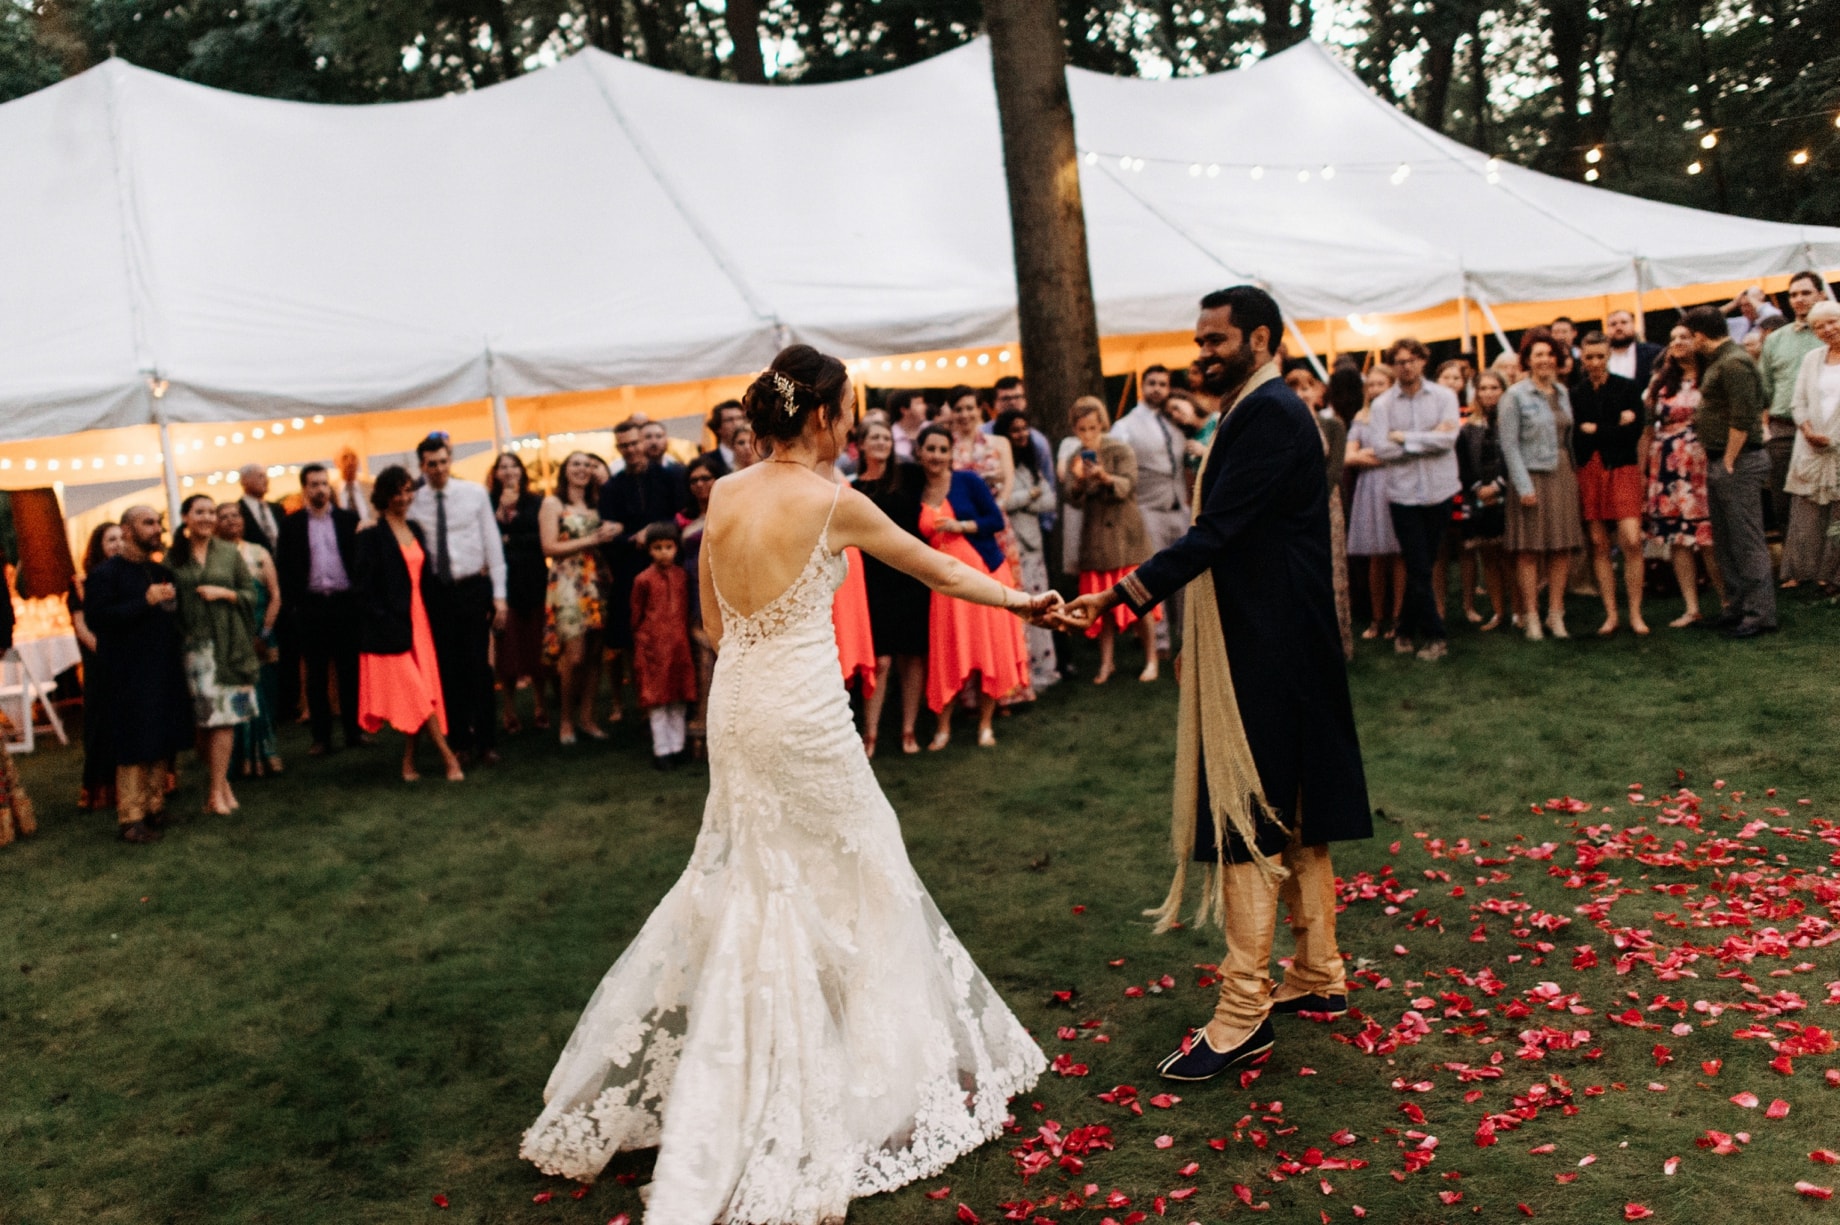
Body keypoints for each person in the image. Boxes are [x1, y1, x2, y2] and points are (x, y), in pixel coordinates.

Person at [520, 346, 1054, 1213]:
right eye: (846, 409)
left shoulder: (724, 493)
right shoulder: (834, 502)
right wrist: (1022, 602)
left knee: (752, 875)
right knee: (860, 857)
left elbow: (710, 622)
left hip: (738, 704)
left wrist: (760, 667)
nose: (850, 422)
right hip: (802, 709)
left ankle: (792, 1044)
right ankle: (855, 1071)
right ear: (820, 417)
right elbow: (937, 566)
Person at [1059, 286, 1371, 1080]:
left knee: (1245, 811)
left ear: (1260, 339)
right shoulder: (1253, 407)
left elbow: (1216, 531)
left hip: (1271, 642)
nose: (1202, 351)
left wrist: (1122, 594)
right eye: (1199, 339)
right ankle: (1319, 972)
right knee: (1292, 803)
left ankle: (1243, 1012)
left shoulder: (1268, 413)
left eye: (1216, 338)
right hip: (1275, 634)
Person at [915, 425, 1031, 748]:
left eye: (943, 449)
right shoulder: (917, 491)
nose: (937, 455)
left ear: (951, 453)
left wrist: (961, 526)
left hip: (982, 575)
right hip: (942, 587)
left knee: (986, 647)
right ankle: (943, 728)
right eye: (931, 449)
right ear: (920, 453)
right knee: (947, 651)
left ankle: (985, 725)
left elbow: (995, 520)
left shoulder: (967, 481)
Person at [85, 507, 192, 842]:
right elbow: (98, 620)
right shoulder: (106, 575)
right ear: (127, 531)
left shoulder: (161, 571)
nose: (157, 529)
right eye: (149, 523)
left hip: (162, 667)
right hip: (125, 672)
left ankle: (154, 808)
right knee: (134, 741)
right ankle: (131, 818)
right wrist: (143, 602)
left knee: (161, 735)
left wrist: (172, 606)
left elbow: (174, 620)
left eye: (158, 523)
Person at [354, 465, 464, 783]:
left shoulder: (415, 527)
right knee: (417, 694)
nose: (403, 498)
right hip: (393, 627)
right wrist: (384, 619)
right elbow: (361, 588)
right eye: (397, 492)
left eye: (407, 491)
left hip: (421, 622)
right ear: (384, 496)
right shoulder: (372, 535)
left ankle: (408, 763)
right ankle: (449, 759)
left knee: (423, 692)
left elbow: (425, 578)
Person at [410, 433, 509, 762]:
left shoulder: (474, 494)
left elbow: (493, 545)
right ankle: (460, 741)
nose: (437, 469)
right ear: (422, 466)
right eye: (430, 464)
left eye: (442, 462)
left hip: (472, 587)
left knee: (478, 667)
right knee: (448, 669)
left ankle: (487, 740)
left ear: (450, 460)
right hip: (437, 593)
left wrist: (499, 596)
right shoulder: (414, 501)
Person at [1684, 304, 1777, 637]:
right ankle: (1737, 606)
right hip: (1723, 459)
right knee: (1726, 540)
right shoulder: (1721, 360)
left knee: (1746, 539)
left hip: (1737, 460)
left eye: (1688, 335)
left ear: (1699, 335)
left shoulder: (1734, 362)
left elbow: (1744, 415)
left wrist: (1729, 460)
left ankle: (1760, 613)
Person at [1367, 338, 1461, 661]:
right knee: (1419, 564)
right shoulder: (1382, 406)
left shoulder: (1444, 396)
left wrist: (1405, 437)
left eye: (1411, 360)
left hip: (1440, 490)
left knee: (1423, 563)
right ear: (1393, 366)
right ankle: (1436, 636)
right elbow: (1381, 449)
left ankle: (1405, 628)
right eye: (1399, 362)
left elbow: (1449, 439)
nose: (1405, 367)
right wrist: (1428, 439)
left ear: (1423, 361)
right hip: (1403, 495)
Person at [169, 495, 261, 817]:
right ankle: (223, 786)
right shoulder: (174, 558)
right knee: (206, 722)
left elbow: (251, 594)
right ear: (186, 518)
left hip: (228, 645)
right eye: (200, 512)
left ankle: (215, 791)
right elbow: (171, 605)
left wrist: (224, 593)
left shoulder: (228, 552)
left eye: (211, 512)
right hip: (194, 650)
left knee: (226, 720)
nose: (207, 517)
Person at [1499, 328, 1585, 640]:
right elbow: (1509, 445)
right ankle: (1531, 616)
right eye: (1538, 354)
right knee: (1529, 550)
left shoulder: (1562, 392)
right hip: (1531, 475)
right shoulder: (1514, 396)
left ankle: (1556, 614)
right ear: (1527, 360)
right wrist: (1523, 487)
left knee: (1561, 547)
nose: (1545, 359)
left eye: (1550, 354)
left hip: (1562, 473)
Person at [1065, 398, 1159, 684]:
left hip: (1125, 536)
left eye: (1092, 427)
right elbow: (1072, 498)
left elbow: (1129, 485)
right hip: (1096, 539)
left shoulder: (1119, 449)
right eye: (1082, 429)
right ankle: (1106, 663)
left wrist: (1105, 477)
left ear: (1102, 424)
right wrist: (1080, 482)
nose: (1088, 434)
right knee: (1099, 605)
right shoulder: (1077, 458)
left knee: (1140, 600)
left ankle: (1151, 659)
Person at [600, 419, 687, 723]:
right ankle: (645, 705)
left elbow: (679, 517)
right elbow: (609, 534)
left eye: (634, 443)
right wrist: (631, 538)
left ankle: (678, 703)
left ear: (643, 443)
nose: (631, 449)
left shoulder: (668, 477)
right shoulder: (611, 487)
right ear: (618, 448)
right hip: (630, 573)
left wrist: (651, 532)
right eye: (624, 445)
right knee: (635, 639)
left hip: (670, 568)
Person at [853, 418, 930, 756]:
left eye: (887, 437)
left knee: (911, 656)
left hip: (910, 576)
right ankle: (870, 733)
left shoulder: (910, 477)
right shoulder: (853, 488)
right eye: (876, 437)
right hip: (872, 581)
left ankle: (908, 729)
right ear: (862, 446)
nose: (883, 442)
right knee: (880, 660)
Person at [277, 463, 363, 755]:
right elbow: (285, 568)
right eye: (314, 484)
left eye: (324, 483)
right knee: (316, 676)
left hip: (344, 605)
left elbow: (360, 561)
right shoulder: (291, 525)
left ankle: (354, 732)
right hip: (311, 607)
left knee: (350, 671)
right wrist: (294, 606)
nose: (320, 489)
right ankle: (321, 738)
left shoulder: (348, 519)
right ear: (305, 489)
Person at [1644, 324, 1726, 626]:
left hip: (1702, 463)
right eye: (1673, 337)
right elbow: (1646, 428)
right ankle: (1692, 608)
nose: (1677, 342)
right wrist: (1643, 472)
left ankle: (1727, 601)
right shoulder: (1661, 383)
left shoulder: (1713, 375)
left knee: (1708, 538)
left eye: (1684, 337)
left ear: (1698, 341)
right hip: (1666, 465)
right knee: (1678, 539)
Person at [1571, 331, 1650, 635]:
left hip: (1623, 467)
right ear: (1582, 356)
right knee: (1599, 543)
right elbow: (1578, 435)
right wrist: (1615, 425)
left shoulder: (1627, 388)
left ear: (1608, 356)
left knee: (1631, 539)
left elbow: (1634, 432)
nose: (1594, 362)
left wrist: (1598, 429)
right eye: (1589, 357)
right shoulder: (1576, 394)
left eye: (1600, 356)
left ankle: (1635, 613)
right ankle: (1611, 614)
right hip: (1590, 469)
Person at [1112, 365, 1191, 654]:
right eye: (1152, 383)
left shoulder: (1175, 421)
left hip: (1178, 507)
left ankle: (1187, 637)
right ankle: (1158, 642)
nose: (1157, 388)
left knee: (1186, 575)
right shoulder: (1126, 426)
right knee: (1154, 574)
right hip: (1148, 508)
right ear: (1142, 387)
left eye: (1163, 384)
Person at [542, 451, 617, 746]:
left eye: (587, 465)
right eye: (576, 464)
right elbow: (548, 546)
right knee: (573, 657)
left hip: (597, 581)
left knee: (595, 653)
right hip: (568, 582)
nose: (582, 469)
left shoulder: (598, 503)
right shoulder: (553, 503)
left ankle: (588, 718)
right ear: (565, 469)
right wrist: (592, 540)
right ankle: (566, 721)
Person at [1761, 272, 1831, 550]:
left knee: (1828, 496)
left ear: (1821, 295)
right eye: (1793, 294)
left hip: (1828, 427)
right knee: (1784, 498)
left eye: (1806, 293)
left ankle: (1831, 565)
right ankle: (1797, 567)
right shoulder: (1775, 340)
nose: (1799, 299)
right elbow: (1764, 389)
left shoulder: (1832, 334)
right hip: (1784, 429)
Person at [216, 501, 285, 777]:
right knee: (238, 696)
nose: (232, 520)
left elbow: (275, 595)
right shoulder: (213, 557)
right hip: (229, 638)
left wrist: (263, 632)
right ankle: (241, 756)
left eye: (236, 515)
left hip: (261, 633)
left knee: (264, 695)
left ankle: (267, 753)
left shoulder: (258, 552)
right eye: (225, 516)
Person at [997, 408, 1059, 694]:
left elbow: (1049, 500)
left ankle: (1044, 670)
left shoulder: (1032, 464)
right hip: (1010, 544)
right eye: (1015, 430)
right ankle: (1022, 673)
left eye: (1024, 429)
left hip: (1032, 544)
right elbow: (1002, 502)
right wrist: (1028, 496)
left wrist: (1026, 500)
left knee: (1040, 604)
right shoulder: (1000, 464)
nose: (1021, 435)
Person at [1781, 300, 1840, 593]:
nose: (1827, 329)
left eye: (1832, 322)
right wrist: (1807, 430)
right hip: (1811, 444)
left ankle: (1833, 576)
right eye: (1819, 326)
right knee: (1807, 512)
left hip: (1838, 445)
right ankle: (1803, 571)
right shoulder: (1811, 359)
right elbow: (1797, 401)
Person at [490, 452, 550, 734]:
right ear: (496, 473)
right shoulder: (489, 503)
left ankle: (540, 704)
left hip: (534, 581)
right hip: (504, 587)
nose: (509, 471)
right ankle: (509, 708)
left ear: (522, 472)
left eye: (514, 465)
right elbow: (488, 542)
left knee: (536, 648)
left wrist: (509, 538)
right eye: (503, 466)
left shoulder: (535, 502)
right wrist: (500, 516)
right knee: (508, 652)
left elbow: (540, 539)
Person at [1344, 364, 1405, 638]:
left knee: (1398, 556)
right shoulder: (1362, 416)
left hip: (1397, 485)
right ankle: (1376, 618)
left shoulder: (1400, 414)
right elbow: (1348, 456)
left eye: (1381, 384)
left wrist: (1372, 454)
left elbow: (1402, 452)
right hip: (1369, 489)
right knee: (1375, 558)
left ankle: (1398, 617)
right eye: (1372, 384)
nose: (1375, 389)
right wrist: (1379, 452)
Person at [630, 521, 697, 769]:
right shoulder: (643, 580)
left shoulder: (682, 576)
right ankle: (662, 750)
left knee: (678, 699)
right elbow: (636, 615)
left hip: (679, 645)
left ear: (676, 548)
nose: (663, 552)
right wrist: (643, 640)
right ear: (649, 550)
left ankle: (678, 747)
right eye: (657, 548)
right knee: (658, 702)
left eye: (668, 547)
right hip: (653, 648)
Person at [69, 523, 123, 811]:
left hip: (128, 660)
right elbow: (81, 626)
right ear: (98, 545)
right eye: (110, 539)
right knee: (101, 725)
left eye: (121, 538)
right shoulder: (82, 583)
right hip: (100, 662)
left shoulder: (129, 579)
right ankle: (101, 790)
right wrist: (107, 652)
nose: (116, 544)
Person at [1456, 370, 1510, 630]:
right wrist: (1479, 488)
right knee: (1487, 555)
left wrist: (1499, 486)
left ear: (1503, 390)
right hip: (1479, 497)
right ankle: (1499, 612)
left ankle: (1520, 610)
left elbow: (1514, 457)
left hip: (1508, 494)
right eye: (1483, 388)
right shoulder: (1469, 427)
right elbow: (1463, 464)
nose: (1489, 393)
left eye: (1494, 387)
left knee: (1511, 556)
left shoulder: (1510, 420)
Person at [677, 455, 720, 759]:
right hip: (695, 595)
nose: (701, 484)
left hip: (727, 592)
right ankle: (700, 731)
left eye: (706, 478)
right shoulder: (685, 521)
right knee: (702, 664)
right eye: (694, 480)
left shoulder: (732, 512)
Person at [1319, 367, 1357, 657]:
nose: (1300, 393)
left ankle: (1337, 644)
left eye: (1305, 387)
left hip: (1325, 504)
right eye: (1293, 387)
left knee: (1332, 570)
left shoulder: (1333, 427)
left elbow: (1334, 471)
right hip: (1291, 507)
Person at [947, 384, 1014, 506]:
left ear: (979, 409)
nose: (964, 415)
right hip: (958, 514)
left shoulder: (1000, 443)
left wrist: (997, 508)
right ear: (952, 413)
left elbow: (1008, 481)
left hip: (995, 514)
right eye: (958, 410)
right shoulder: (946, 446)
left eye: (969, 408)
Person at [1605, 309, 1662, 388]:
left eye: (1624, 322)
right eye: (1613, 324)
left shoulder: (1653, 353)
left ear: (1633, 325)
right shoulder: (1601, 357)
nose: (1618, 327)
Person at [334, 446, 375, 527]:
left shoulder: (371, 488)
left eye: (353, 457)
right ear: (336, 463)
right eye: (344, 458)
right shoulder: (332, 491)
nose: (350, 462)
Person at [886, 388, 930, 462]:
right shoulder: (889, 436)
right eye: (918, 403)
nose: (924, 407)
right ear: (904, 410)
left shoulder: (932, 429)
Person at [705, 398, 745, 473]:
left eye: (739, 418)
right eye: (729, 420)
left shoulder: (758, 455)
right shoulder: (707, 461)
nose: (736, 424)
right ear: (718, 427)